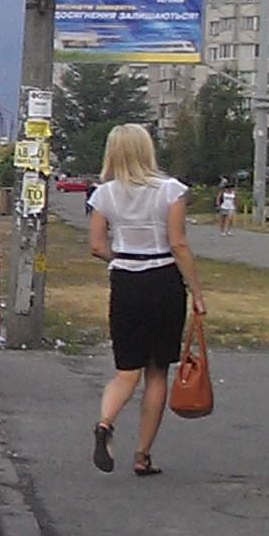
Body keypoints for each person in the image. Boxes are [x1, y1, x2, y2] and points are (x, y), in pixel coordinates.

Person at [86, 124, 204, 477]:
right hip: (164, 282)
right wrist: (196, 292)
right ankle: (142, 455)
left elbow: (95, 244)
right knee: (156, 373)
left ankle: (105, 423)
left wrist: (120, 258)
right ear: (147, 149)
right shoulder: (170, 191)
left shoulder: (103, 194)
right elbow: (179, 243)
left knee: (125, 372)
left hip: (126, 282)